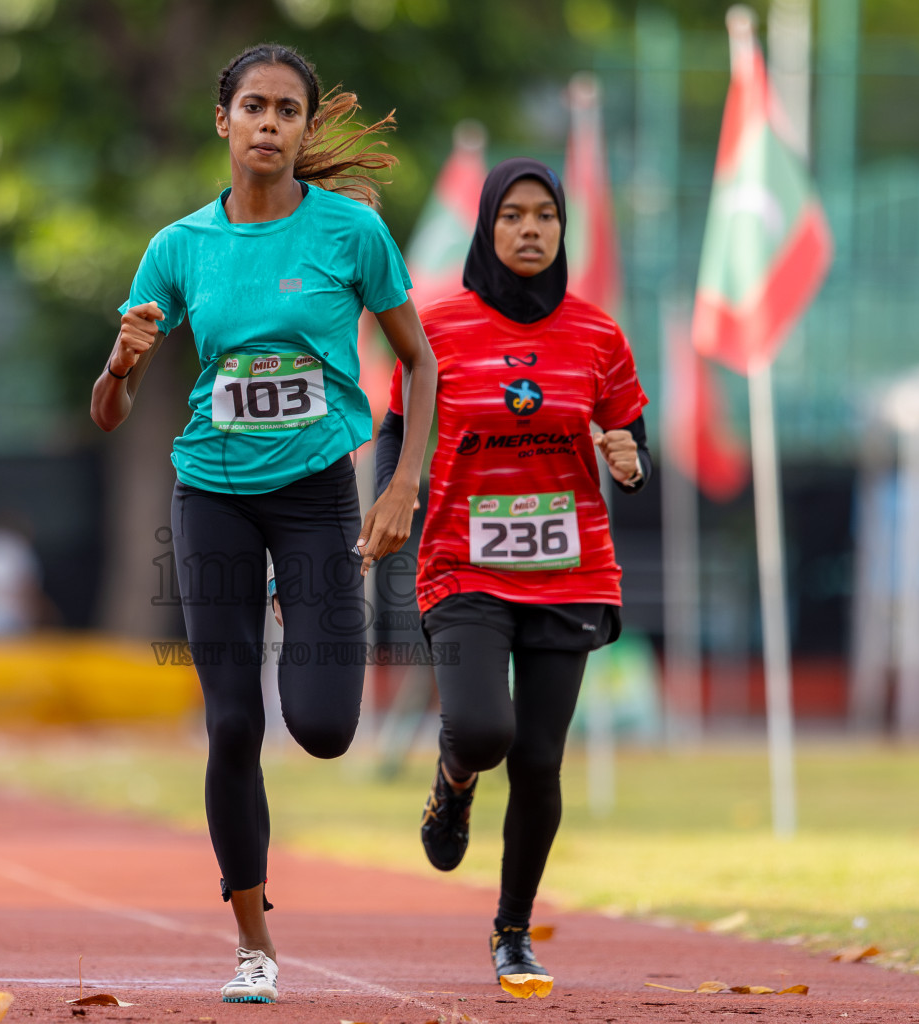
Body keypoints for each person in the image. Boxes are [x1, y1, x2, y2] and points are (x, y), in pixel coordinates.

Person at [90, 43, 436, 1005]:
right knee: (233, 720)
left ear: (304, 129)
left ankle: (299, 593)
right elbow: (109, 413)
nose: (270, 123)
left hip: (320, 491)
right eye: (254, 106)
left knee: (323, 730)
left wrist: (403, 481)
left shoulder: (351, 236)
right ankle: (253, 942)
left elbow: (422, 362)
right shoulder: (179, 248)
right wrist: (121, 364)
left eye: (288, 109)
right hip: (212, 494)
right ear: (224, 123)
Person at [375, 158, 652, 985]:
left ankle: (513, 930)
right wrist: (397, 494)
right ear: (487, 229)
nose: (531, 230)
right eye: (513, 216)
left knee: (538, 759)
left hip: (571, 571)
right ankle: (453, 779)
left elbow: (636, 449)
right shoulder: (436, 329)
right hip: (464, 563)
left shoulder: (600, 336)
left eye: (546, 217)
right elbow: (396, 429)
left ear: (563, 232)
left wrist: (630, 461)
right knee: (485, 731)